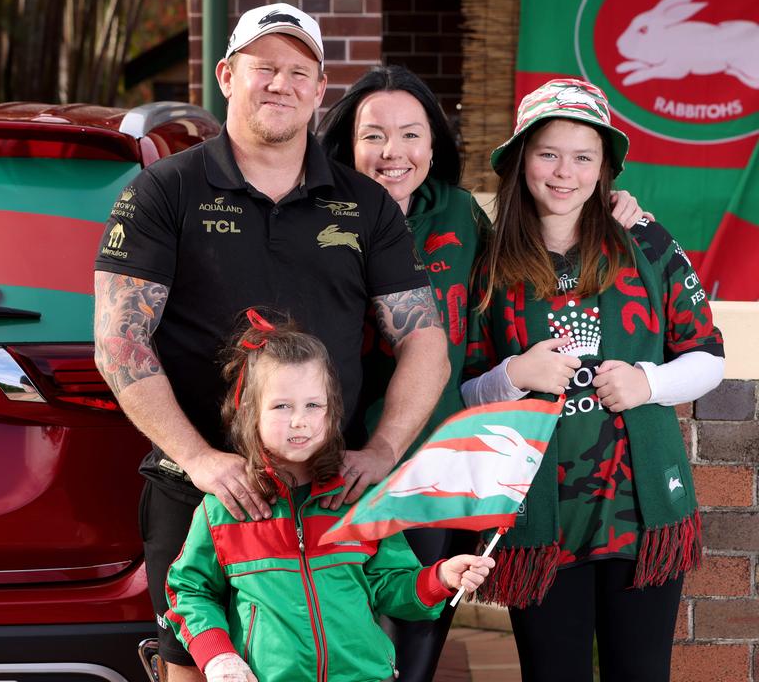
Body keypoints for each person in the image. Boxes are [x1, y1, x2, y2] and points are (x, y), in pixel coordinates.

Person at [93, 3, 449, 681]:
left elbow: (425, 341)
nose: (279, 84)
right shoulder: (163, 191)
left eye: (298, 71)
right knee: (197, 668)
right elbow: (120, 341)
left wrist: (383, 450)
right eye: (263, 67)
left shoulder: (364, 203)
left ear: (319, 92)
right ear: (228, 75)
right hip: (196, 485)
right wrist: (200, 460)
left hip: (320, 492)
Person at [316, 65, 648, 682]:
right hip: (324, 465)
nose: (394, 152)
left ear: (435, 144)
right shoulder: (311, 214)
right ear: (346, 144)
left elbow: (538, 245)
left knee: (409, 653)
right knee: (320, 644)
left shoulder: (460, 215)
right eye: (374, 136)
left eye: (411, 134)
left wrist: (608, 210)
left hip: (434, 467)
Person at [461, 78, 724, 682]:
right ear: (521, 158)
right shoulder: (489, 260)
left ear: (604, 167)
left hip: (639, 514)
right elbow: (464, 390)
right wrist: (512, 374)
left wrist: (647, 383)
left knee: (640, 671)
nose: (564, 172)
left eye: (584, 157)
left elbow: (708, 355)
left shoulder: (645, 241)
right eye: (548, 153)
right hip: (538, 516)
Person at [164, 311, 495, 682]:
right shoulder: (225, 509)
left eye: (313, 405)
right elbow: (190, 592)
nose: (298, 421)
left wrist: (440, 578)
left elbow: (391, 585)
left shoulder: (362, 502)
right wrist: (218, 657)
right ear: (249, 413)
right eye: (281, 406)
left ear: (332, 411)